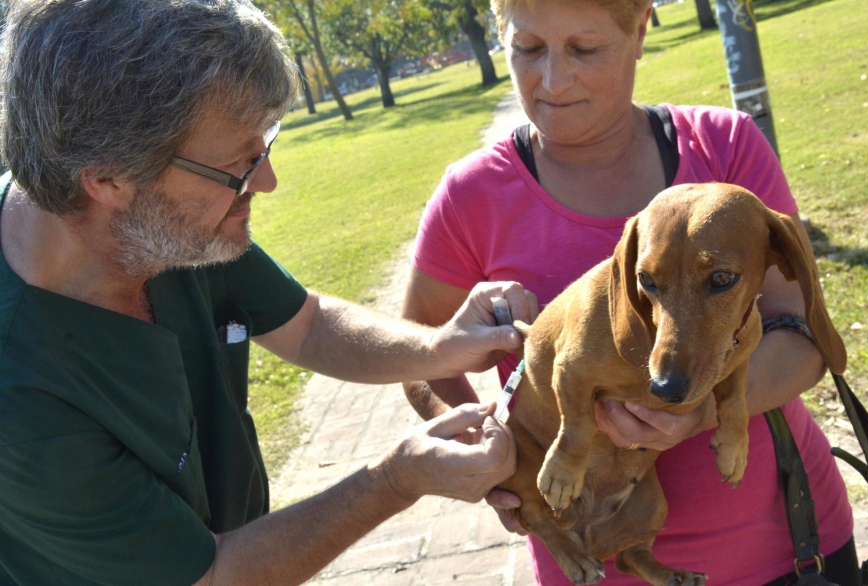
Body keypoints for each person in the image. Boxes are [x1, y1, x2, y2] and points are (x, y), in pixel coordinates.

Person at [0, 1, 538, 584]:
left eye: (265, 147)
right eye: (240, 164)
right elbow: (211, 576)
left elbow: (305, 324)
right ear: (107, 180)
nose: (267, 182)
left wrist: (441, 347)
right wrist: (397, 478)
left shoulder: (157, 223)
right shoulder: (21, 400)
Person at [400, 0, 860, 584]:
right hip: (592, 561)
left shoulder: (726, 146)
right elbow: (417, 355)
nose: (553, 80)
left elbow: (800, 332)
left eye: (585, 49)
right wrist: (484, 453)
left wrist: (698, 415)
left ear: (640, 29)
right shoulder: (470, 196)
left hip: (791, 541)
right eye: (528, 48)